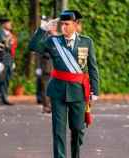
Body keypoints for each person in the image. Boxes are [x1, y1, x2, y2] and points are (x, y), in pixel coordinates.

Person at [29, 10, 99, 158]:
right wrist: (43, 29)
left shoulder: (87, 42)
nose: (64, 27)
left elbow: (92, 67)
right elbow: (33, 47)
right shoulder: (53, 41)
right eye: (62, 24)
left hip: (78, 92)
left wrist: (95, 90)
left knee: (78, 129)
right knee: (58, 130)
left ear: (76, 24)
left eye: (67, 24)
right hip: (58, 91)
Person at [0, 17, 15, 105]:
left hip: (9, 59)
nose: (10, 25)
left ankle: (5, 96)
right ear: (3, 24)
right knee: (1, 79)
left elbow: (12, 49)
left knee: (7, 79)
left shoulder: (10, 34)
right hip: (2, 60)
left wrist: (13, 61)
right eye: (8, 23)